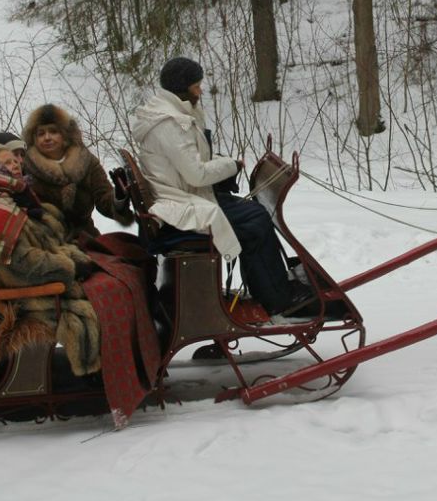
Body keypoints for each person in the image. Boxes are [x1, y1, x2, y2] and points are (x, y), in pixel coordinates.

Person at [0, 144, 160, 428]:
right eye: (8, 161)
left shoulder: (10, 194)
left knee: (123, 270)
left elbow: (46, 240)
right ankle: (110, 373)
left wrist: (65, 248)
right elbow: (24, 264)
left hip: (47, 277)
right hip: (33, 294)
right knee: (112, 293)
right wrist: (70, 267)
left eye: (18, 159)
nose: (17, 164)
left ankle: (134, 362)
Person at [131, 56, 312, 317]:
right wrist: (231, 166)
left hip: (181, 194)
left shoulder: (169, 115)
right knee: (255, 219)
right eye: (196, 85)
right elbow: (196, 174)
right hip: (180, 203)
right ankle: (277, 297)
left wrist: (225, 165)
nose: (200, 90)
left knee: (252, 213)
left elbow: (190, 164)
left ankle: (270, 287)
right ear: (183, 88)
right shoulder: (171, 123)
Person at [21, 104, 133, 240]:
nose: (47, 137)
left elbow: (105, 201)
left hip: (86, 237)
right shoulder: (24, 166)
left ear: (65, 134)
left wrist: (119, 196)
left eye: (53, 131)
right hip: (44, 241)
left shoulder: (87, 161)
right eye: (41, 133)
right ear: (33, 138)